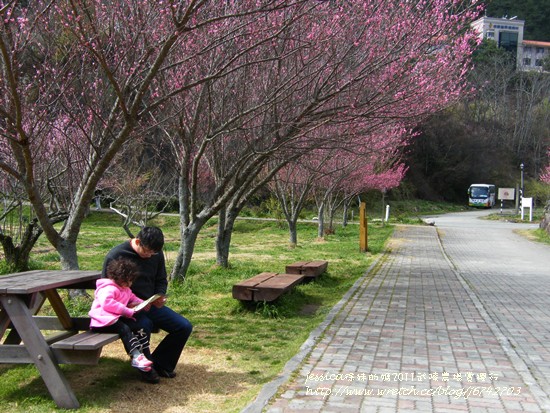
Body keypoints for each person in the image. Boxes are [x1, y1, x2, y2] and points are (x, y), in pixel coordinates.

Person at [102, 226, 193, 384]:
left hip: (150, 305)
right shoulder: (116, 255)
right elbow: (107, 288)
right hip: (126, 310)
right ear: (137, 241)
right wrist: (128, 304)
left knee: (184, 326)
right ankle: (145, 368)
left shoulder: (155, 255)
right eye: (147, 252)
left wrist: (160, 295)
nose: (150, 256)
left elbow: (161, 279)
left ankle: (160, 364)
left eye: (154, 253)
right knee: (144, 325)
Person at [89, 258, 153, 372]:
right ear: (118, 278)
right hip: (103, 321)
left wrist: (142, 303)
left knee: (138, 326)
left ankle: (143, 354)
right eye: (127, 281)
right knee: (124, 329)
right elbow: (108, 303)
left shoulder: (125, 288)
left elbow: (132, 297)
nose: (129, 284)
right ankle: (136, 356)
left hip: (115, 319)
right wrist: (127, 311)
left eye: (131, 281)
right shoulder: (109, 288)